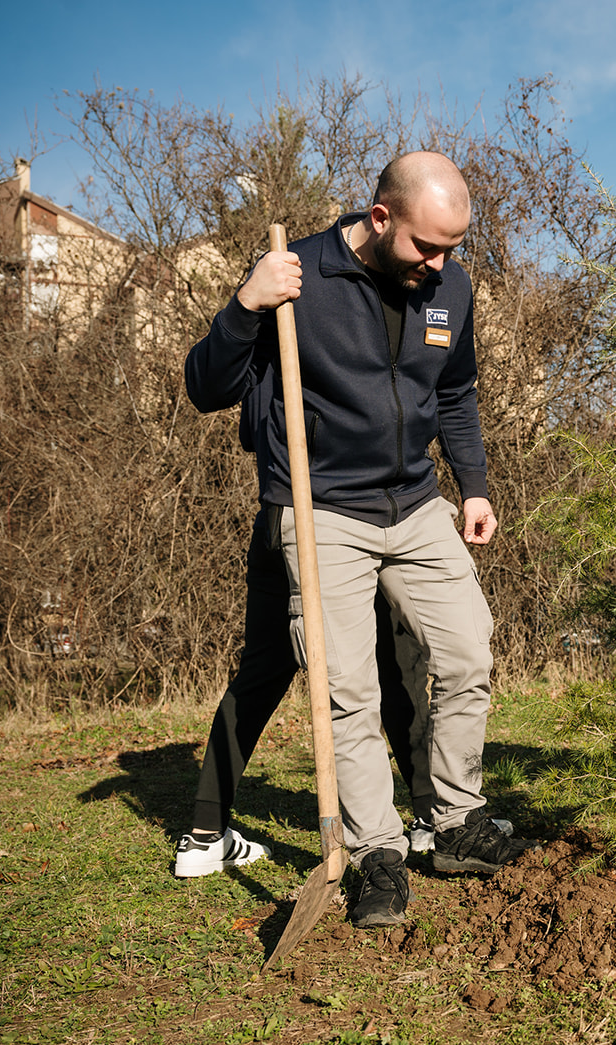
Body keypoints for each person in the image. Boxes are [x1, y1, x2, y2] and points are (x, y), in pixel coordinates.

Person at [184, 151, 533, 928]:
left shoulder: (452, 286)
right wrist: (246, 303)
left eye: (454, 247)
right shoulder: (294, 274)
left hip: (415, 502)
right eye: (426, 246)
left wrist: (472, 485)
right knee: (346, 686)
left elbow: (456, 393)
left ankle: (453, 820)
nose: (440, 263)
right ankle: (377, 852)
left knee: (468, 651)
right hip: (322, 512)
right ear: (380, 218)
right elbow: (205, 386)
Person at [170, 510, 512, 877]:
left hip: (280, 523)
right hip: (340, 528)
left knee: (257, 678)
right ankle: (429, 814)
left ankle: (204, 834)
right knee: (395, 668)